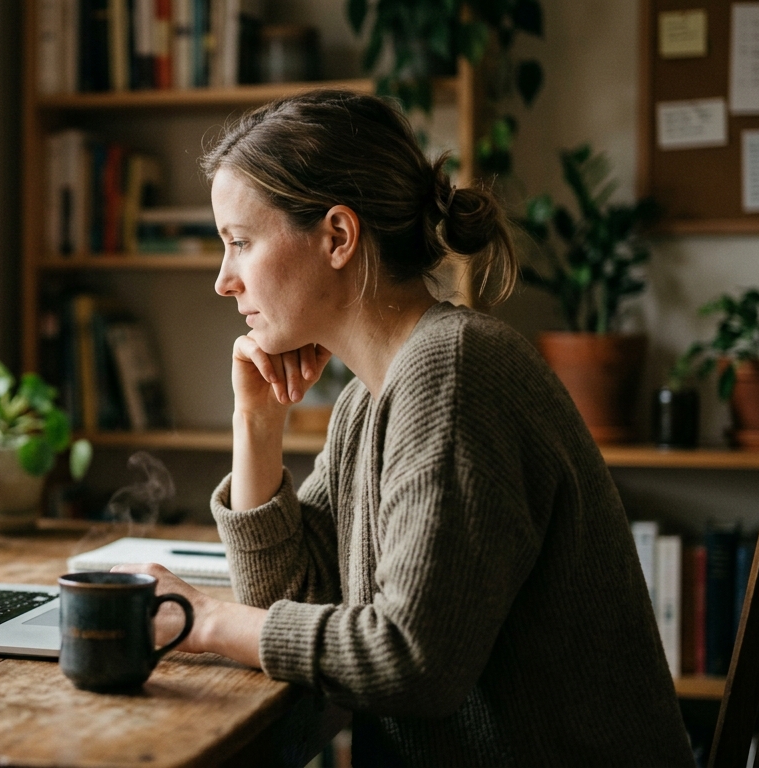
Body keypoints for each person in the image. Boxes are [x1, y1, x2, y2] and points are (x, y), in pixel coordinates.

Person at [112, 90, 694, 766]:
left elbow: (411, 660)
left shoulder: (453, 373)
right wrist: (256, 424)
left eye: (240, 243)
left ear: (337, 236)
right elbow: (285, 602)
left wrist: (204, 619)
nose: (224, 280)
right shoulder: (372, 397)